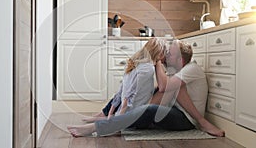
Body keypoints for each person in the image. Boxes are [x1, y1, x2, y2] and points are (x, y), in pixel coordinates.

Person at [68, 40, 225, 137]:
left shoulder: (192, 69)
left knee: (150, 108)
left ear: (181, 60)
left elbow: (165, 87)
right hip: (171, 110)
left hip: (185, 120)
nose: (165, 56)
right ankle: (111, 118)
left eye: (169, 54)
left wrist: (156, 61)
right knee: (130, 94)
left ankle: (96, 127)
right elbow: (161, 89)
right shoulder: (173, 71)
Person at [83, 38, 166, 122]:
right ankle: (109, 118)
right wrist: (120, 120)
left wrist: (111, 114)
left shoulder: (135, 64)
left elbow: (121, 93)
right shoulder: (148, 69)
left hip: (126, 109)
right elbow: (129, 96)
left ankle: (105, 117)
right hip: (133, 114)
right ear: (159, 53)